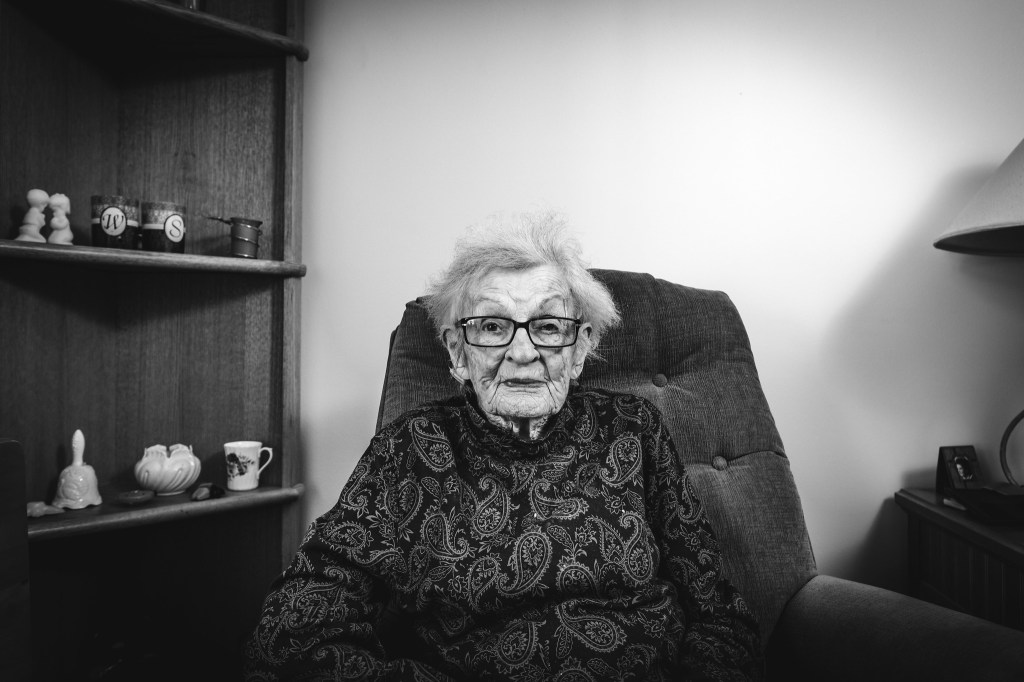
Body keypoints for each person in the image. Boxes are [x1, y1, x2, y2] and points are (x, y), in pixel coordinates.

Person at [244, 211, 763, 681]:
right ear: (457, 352)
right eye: (493, 326)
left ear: (580, 348)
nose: (522, 352)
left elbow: (716, 610)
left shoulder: (633, 429)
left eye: (548, 326)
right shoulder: (412, 449)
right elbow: (292, 632)